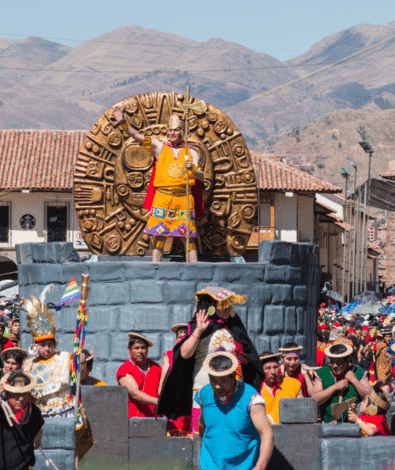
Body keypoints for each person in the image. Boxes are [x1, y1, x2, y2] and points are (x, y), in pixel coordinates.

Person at [157, 286, 264, 433]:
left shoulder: (234, 327)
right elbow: (184, 354)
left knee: (232, 430)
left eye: (229, 305)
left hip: (234, 387)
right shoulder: (199, 327)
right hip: (205, 386)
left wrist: (239, 356)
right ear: (212, 307)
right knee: (204, 430)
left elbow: (249, 360)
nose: (228, 309)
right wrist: (198, 331)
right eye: (223, 306)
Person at [113, 107, 205, 263]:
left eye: (176, 130)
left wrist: (192, 169)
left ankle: (194, 270)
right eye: (170, 130)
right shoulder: (160, 148)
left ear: (182, 131)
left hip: (183, 200)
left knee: (187, 238)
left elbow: (201, 176)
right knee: (159, 235)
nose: (172, 134)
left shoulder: (192, 151)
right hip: (162, 198)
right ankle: (155, 268)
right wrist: (122, 122)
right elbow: (136, 136)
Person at [22, 290, 94, 469]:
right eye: (43, 345)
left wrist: (81, 363)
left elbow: (80, 376)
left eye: (50, 344)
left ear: (55, 344)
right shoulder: (28, 364)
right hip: (38, 413)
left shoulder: (67, 358)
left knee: (70, 450)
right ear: (36, 345)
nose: (47, 348)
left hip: (64, 410)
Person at [197, 351, 273, 470]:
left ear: (233, 377)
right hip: (210, 465)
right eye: (213, 380)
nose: (217, 386)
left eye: (222, 380)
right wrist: (202, 449)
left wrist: (260, 467)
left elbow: (267, 433)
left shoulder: (251, 399)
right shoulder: (204, 394)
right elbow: (202, 424)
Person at [312, 342, 370, 423]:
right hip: (328, 426)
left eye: (339, 362)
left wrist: (354, 380)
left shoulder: (358, 372)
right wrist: (335, 387)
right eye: (332, 362)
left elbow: (369, 396)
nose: (335, 366)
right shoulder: (322, 373)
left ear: (348, 361)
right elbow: (315, 399)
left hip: (355, 425)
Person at [0, 370, 44, 470]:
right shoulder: (1, 411)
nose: (20, 399)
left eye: (23, 393)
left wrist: (37, 437)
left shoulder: (34, 412)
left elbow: (37, 439)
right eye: (15, 394)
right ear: (8, 394)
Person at [116, 332, 161, 418]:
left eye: (143, 348)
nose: (140, 351)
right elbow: (135, 394)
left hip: (155, 420)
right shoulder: (125, 369)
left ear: (147, 349)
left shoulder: (156, 367)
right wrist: (160, 402)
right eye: (136, 348)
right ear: (130, 350)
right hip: (132, 421)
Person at [159, 323, 191, 436]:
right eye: (179, 337)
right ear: (176, 339)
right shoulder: (169, 355)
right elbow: (163, 382)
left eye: (185, 337)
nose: (182, 340)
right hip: (174, 403)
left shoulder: (196, 355)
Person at [259, 352, 303, 424]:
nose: (273, 372)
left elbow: (302, 411)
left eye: (275, 367)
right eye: (268, 368)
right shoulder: (257, 388)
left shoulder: (294, 384)